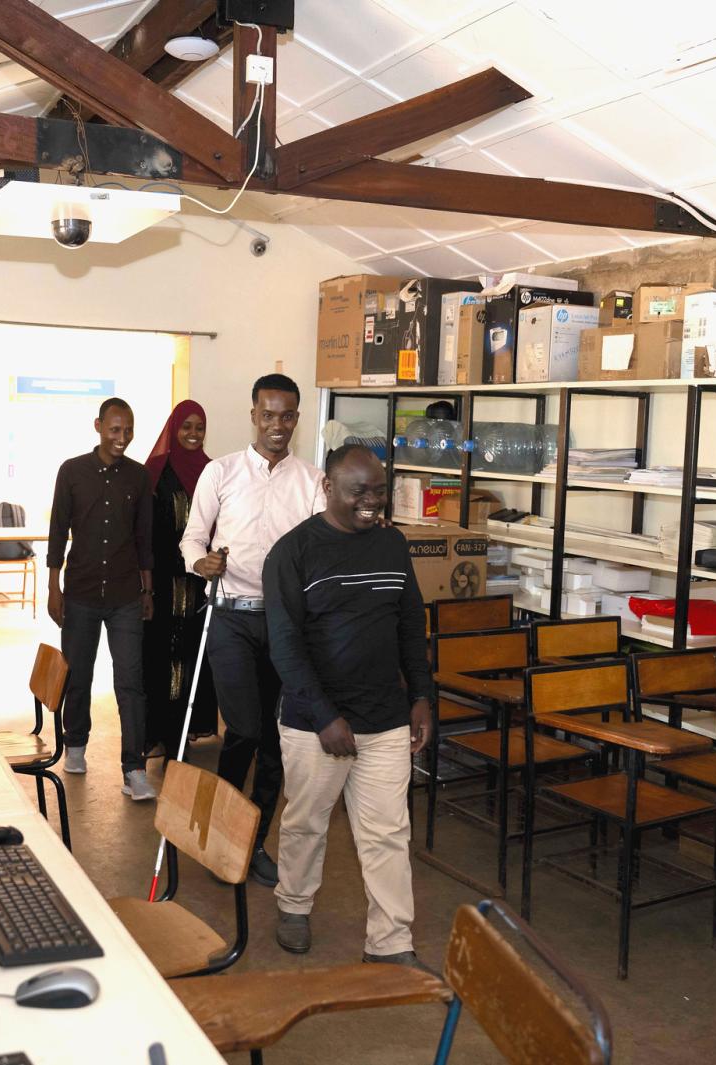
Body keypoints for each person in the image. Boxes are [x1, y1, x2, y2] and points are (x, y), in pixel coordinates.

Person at [264, 444, 433, 970]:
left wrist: (422, 696)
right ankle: (293, 904)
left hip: (385, 717)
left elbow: (409, 625)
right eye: (359, 490)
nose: (372, 501)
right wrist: (323, 717)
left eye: (379, 491)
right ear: (328, 487)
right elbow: (285, 645)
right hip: (315, 724)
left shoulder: (391, 544)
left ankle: (390, 940)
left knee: (387, 831)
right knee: (307, 822)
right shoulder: (292, 553)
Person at [181, 373, 324, 886]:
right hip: (230, 616)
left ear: (296, 418)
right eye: (268, 415)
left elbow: (320, 550)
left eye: (287, 416)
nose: (277, 426)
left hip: (286, 623)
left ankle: (251, 841)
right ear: (253, 415)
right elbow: (192, 538)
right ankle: (220, 829)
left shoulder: (312, 481)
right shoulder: (220, 473)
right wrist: (201, 565)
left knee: (277, 738)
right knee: (244, 727)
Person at [45, 397, 156, 801]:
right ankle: (75, 745)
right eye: (114, 429)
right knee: (78, 674)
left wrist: (148, 589)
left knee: (131, 682)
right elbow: (58, 531)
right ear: (98, 426)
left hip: (127, 594)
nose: (122, 438)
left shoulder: (139, 478)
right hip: (82, 592)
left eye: (128, 430)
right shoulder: (72, 472)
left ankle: (135, 769)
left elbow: (145, 538)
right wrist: (54, 586)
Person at [141, 400, 218, 755]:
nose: (192, 434)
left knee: (192, 657)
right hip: (162, 585)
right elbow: (142, 531)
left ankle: (182, 732)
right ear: (173, 429)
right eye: (185, 427)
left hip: (199, 586)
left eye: (199, 427)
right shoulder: (156, 471)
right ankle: (159, 732)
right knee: (159, 657)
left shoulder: (212, 471)